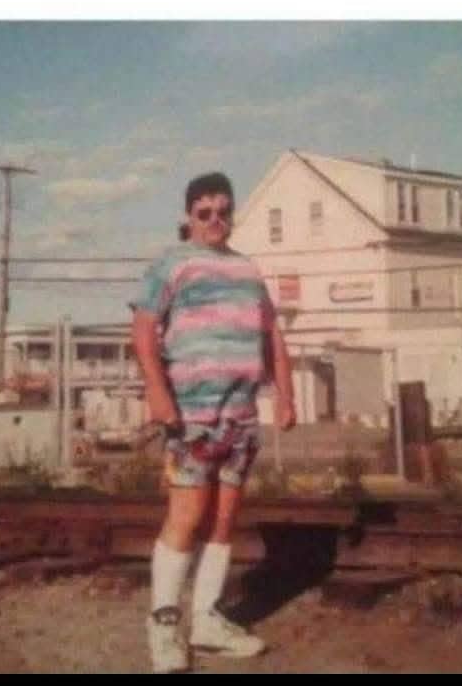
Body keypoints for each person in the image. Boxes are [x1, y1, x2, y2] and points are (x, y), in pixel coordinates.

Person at [130, 172, 296, 674]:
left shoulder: (248, 269)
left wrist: (285, 395)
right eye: (205, 213)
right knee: (186, 517)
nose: (215, 220)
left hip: (240, 415)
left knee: (224, 521)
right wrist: (157, 391)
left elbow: (272, 336)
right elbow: (143, 329)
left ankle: (205, 621)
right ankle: (163, 627)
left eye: (223, 211)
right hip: (193, 416)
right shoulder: (171, 264)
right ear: (189, 216)